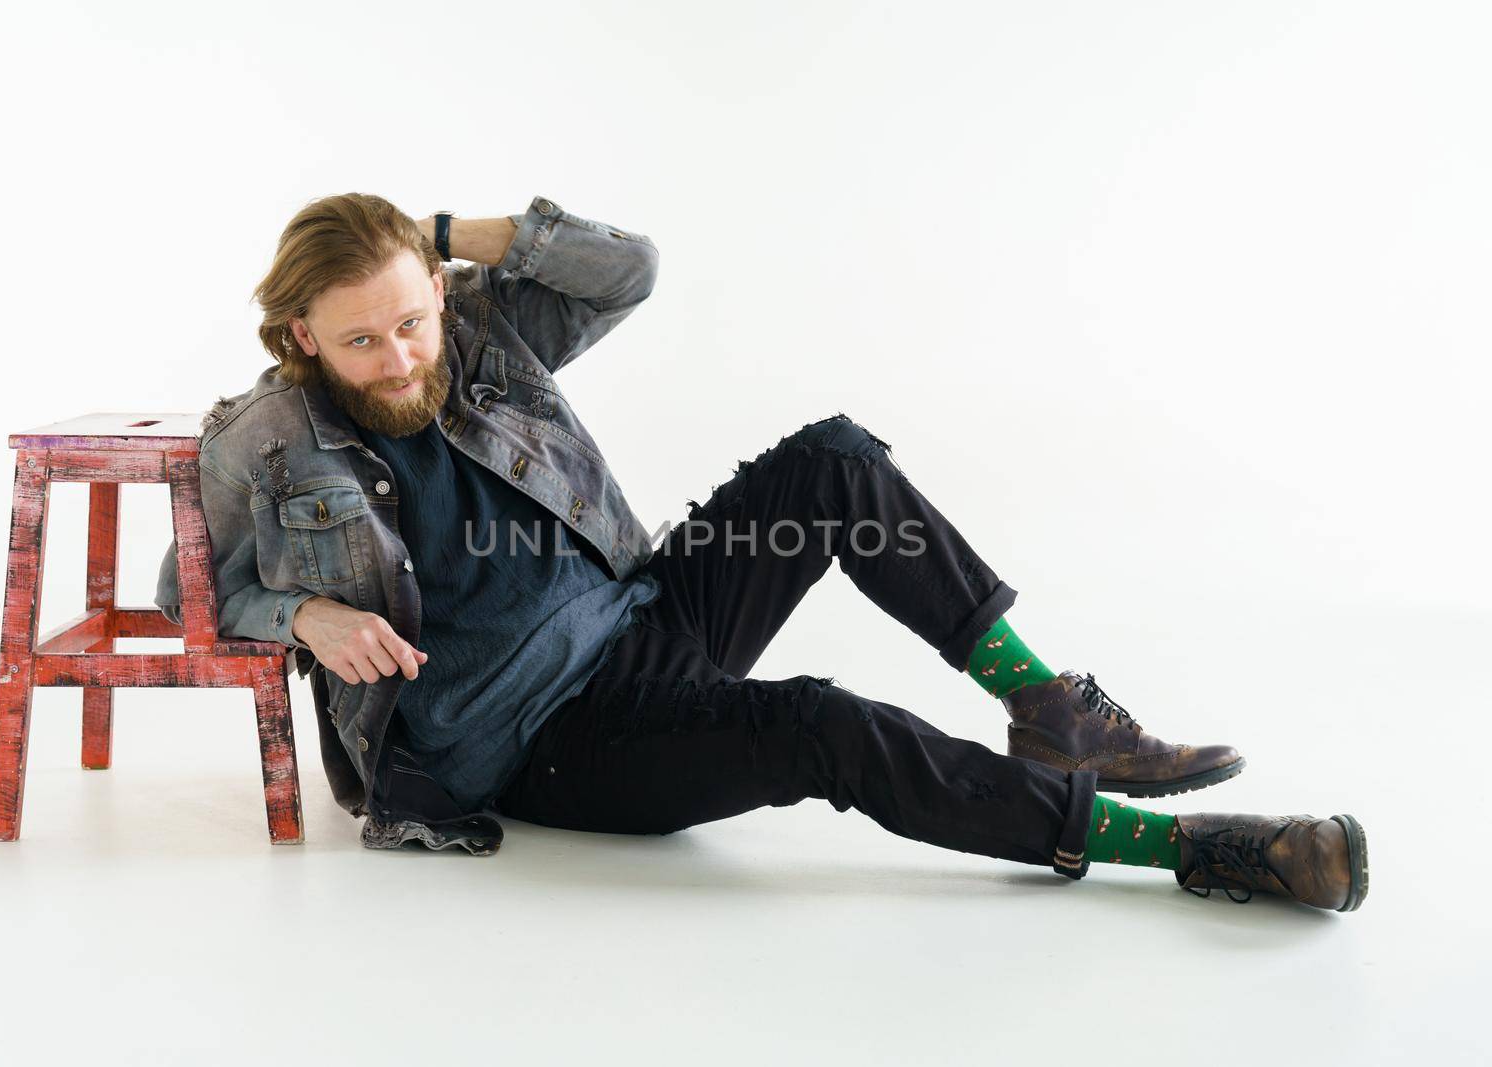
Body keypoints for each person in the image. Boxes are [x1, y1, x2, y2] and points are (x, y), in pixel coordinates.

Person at [157, 192, 1368, 912]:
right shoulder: (260, 437)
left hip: (641, 620)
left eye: (412, 317)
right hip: (535, 745)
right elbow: (188, 594)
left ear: (438, 289)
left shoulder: (476, 329)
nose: (401, 356)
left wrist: (430, 231)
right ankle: (1187, 848)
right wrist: (303, 619)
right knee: (818, 723)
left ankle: (1051, 708)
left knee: (836, 459)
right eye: (360, 339)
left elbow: (627, 266)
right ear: (299, 332)